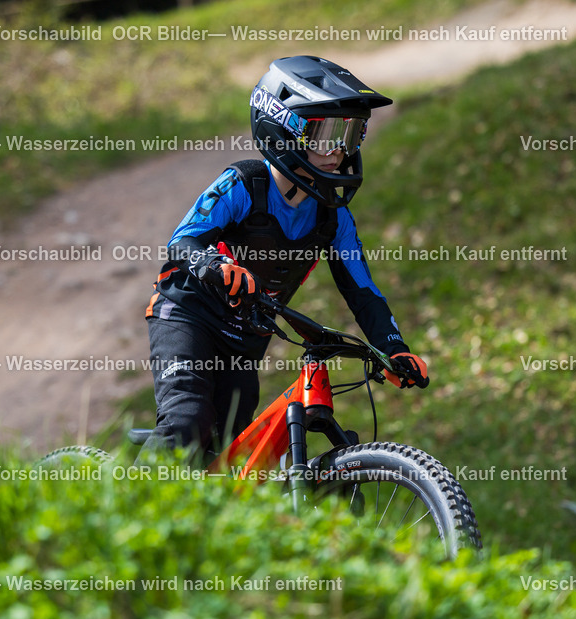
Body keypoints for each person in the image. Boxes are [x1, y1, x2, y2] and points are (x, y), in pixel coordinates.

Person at [144, 55, 428, 467]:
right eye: (326, 134)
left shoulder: (334, 219)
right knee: (187, 422)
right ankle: (126, 505)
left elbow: (364, 292)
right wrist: (216, 267)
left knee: (226, 456)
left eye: (350, 135)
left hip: (244, 338)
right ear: (282, 130)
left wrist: (393, 349)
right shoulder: (243, 184)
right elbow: (183, 242)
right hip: (187, 316)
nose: (337, 151)